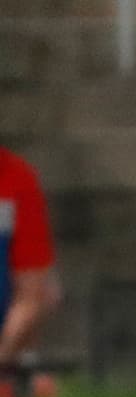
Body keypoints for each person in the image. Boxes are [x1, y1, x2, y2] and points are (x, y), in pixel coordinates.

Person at [0, 146, 61, 374]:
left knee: (48, 292)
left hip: (6, 340)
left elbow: (33, 293)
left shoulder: (16, 178)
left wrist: (4, 354)